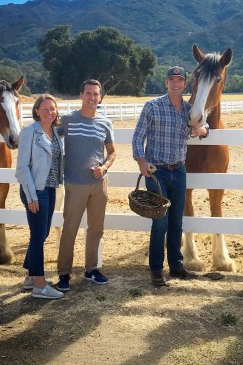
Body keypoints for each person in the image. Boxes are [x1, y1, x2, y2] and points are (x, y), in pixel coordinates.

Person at [132, 66, 209, 286]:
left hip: (179, 169)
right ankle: (156, 269)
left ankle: (176, 265)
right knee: (160, 221)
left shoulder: (189, 110)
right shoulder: (152, 106)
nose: (176, 84)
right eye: (172, 80)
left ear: (185, 84)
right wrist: (141, 161)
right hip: (157, 172)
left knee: (177, 220)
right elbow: (138, 137)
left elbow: (205, 126)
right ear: (166, 83)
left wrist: (202, 131)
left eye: (180, 80)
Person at [56, 79, 116, 292]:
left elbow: (112, 152)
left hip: (99, 185)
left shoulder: (105, 123)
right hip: (74, 184)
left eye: (96, 94)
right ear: (81, 95)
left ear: (100, 97)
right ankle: (64, 274)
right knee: (69, 230)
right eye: (88, 93)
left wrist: (105, 168)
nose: (92, 98)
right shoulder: (68, 120)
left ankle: (91, 270)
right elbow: (50, 137)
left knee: (96, 229)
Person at [15, 94, 64, 299]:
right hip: (36, 190)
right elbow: (22, 167)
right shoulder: (29, 132)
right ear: (36, 111)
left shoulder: (55, 132)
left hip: (50, 188)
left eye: (52, 109)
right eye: (44, 109)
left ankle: (30, 276)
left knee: (41, 233)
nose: (49, 113)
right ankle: (40, 285)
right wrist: (31, 196)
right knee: (37, 236)